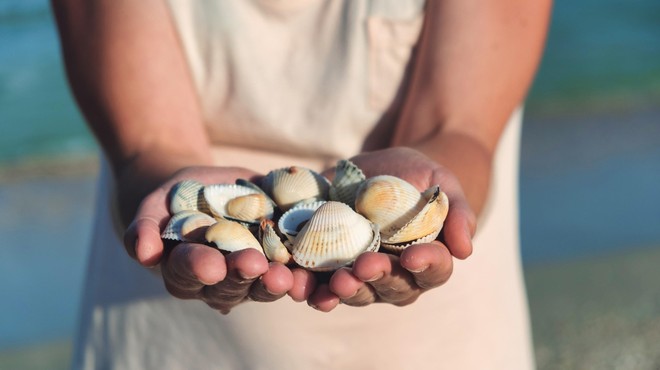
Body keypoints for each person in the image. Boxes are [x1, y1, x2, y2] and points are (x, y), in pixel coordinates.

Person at [52, 0, 551, 368]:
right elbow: (149, 140)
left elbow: (457, 128)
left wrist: (431, 188)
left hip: (438, 344)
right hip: (171, 343)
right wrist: (165, 185)